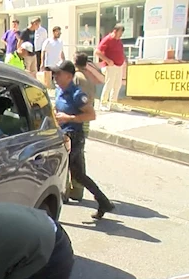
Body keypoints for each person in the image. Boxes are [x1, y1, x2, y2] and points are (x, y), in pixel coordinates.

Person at [50, 60, 114, 219]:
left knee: (59, 170)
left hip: (74, 136)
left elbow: (91, 115)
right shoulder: (59, 91)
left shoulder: (77, 94)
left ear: (69, 76)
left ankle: (51, 211)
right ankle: (104, 202)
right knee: (78, 174)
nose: (55, 76)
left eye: (58, 73)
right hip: (63, 135)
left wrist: (69, 117)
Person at [66, 52, 100, 202]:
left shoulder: (75, 79)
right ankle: (77, 189)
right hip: (85, 122)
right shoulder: (90, 79)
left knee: (69, 157)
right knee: (79, 155)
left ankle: (69, 188)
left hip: (75, 121)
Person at [95, 24, 126, 111]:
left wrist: (124, 61)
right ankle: (103, 103)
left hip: (119, 66)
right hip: (110, 66)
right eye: (120, 33)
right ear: (115, 31)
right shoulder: (108, 39)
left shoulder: (119, 41)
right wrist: (108, 60)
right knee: (109, 84)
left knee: (117, 85)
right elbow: (97, 51)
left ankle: (113, 103)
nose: (120, 35)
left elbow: (121, 52)